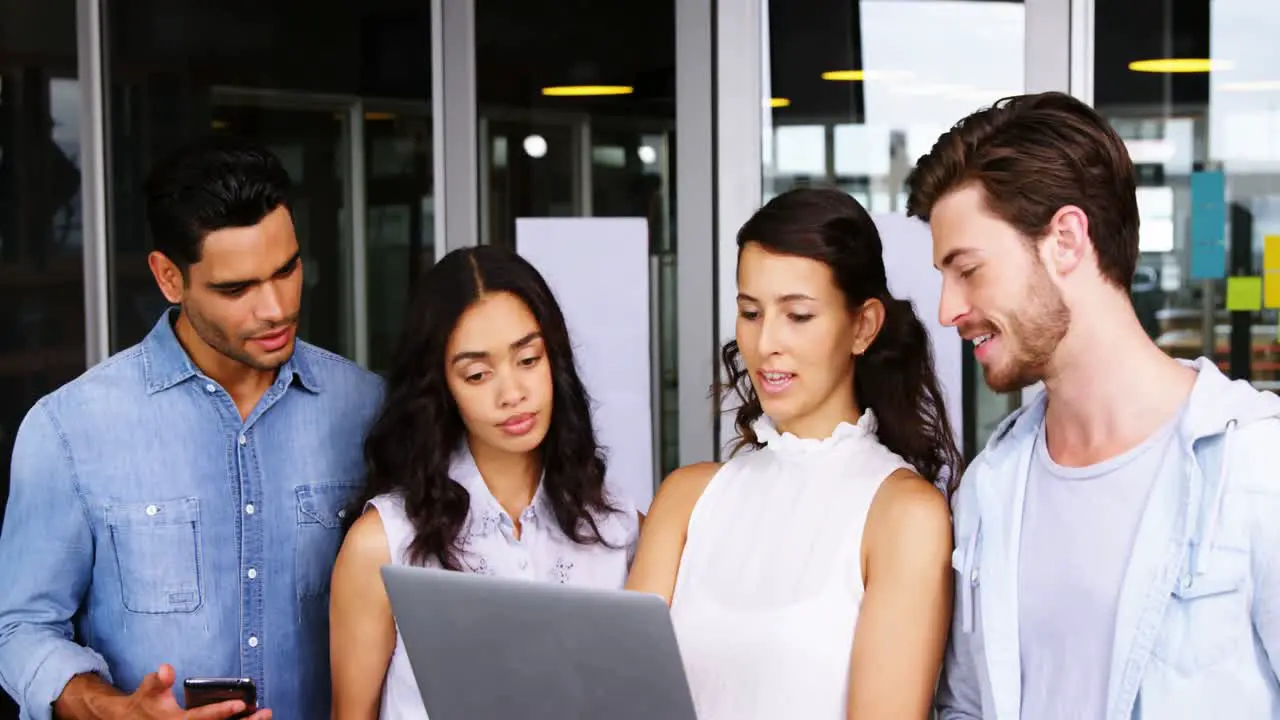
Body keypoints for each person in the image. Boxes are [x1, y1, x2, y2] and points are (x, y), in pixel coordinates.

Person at [907, 91, 1280, 719]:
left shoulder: (1255, 469)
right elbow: (967, 707)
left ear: (1067, 239)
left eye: (967, 269)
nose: (947, 309)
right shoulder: (990, 489)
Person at [0, 136, 383, 720]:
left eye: (287, 270)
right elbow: (19, 628)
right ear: (169, 278)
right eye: (237, 289)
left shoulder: (369, 411)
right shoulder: (69, 430)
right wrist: (115, 709)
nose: (276, 308)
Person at [626, 187, 960, 719]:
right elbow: (622, 698)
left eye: (798, 315)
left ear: (863, 326)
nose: (765, 344)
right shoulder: (686, 498)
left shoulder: (904, 514)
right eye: (751, 312)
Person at [329, 245, 641, 720]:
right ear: (441, 390)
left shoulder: (619, 527)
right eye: (477, 374)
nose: (512, 394)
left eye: (529, 360)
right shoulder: (383, 543)